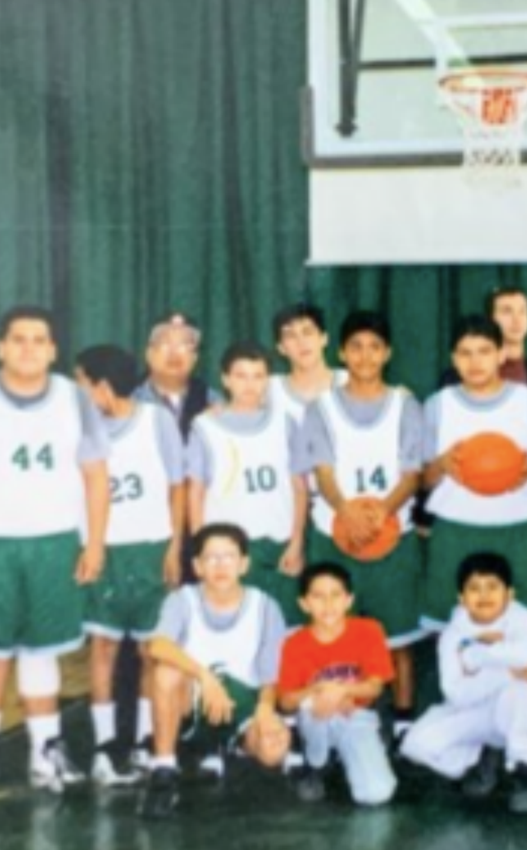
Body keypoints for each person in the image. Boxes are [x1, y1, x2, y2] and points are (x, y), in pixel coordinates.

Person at [0, 306, 111, 797]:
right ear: (0, 347)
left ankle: (47, 748)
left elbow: (96, 476)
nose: (29, 348)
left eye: (40, 340)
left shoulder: (72, 399)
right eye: (18, 339)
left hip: (53, 541)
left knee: (44, 652)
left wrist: (95, 543)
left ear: (53, 350)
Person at [442, 286, 527, 768]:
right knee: (471, 622)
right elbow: (427, 467)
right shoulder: (446, 394)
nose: (515, 318)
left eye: (523, 310)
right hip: (465, 521)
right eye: (505, 310)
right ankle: (480, 725)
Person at [300, 311, 425, 734]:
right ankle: (331, 724)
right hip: (335, 536)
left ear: (387, 352)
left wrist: (381, 514)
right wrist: (347, 511)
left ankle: (403, 725)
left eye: (374, 347)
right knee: (332, 634)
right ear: (341, 352)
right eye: (356, 346)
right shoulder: (320, 408)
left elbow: (412, 473)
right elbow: (323, 472)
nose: (365, 355)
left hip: (393, 536)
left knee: (399, 638)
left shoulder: (406, 405)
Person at [74, 343, 185, 785]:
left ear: (101, 387)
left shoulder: (156, 421)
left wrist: (175, 547)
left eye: (82, 385)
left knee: (149, 651)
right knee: (103, 648)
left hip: (151, 548)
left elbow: (177, 486)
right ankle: (104, 747)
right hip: (103, 551)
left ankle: (142, 741)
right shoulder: (79, 431)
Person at [420, 315, 527, 637]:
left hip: (518, 530)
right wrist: (441, 464)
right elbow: (424, 480)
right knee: (453, 638)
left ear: (501, 354)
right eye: (465, 353)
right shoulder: (437, 405)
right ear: (453, 358)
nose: (475, 362)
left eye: (484, 351)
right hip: (455, 531)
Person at [139, 523, 293, 818]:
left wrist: (264, 709)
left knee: (273, 751)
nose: (221, 565)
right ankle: (164, 769)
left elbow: (269, 672)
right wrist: (205, 677)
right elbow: (157, 645)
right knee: (165, 673)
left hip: (241, 699)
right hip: (193, 699)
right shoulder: (182, 600)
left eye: (229, 557)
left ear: (244, 564)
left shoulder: (265, 606)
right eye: (211, 558)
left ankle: (223, 747)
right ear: (197, 566)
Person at [400, 552, 527, 814]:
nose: (484, 596)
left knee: (522, 692)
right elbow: (455, 693)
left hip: (511, 712)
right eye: (474, 589)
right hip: (470, 712)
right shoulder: (452, 634)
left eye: (493, 587)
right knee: (414, 744)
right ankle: (477, 760)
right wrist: (504, 670)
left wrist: (473, 656)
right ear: (461, 597)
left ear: (510, 593)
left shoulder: (526, 620)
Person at [186, 342, 309, 625]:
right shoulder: (205, 426)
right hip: (230, 549)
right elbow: (196, 492)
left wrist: (297, 542)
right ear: (226, 379)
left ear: (268, 379)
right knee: (236, 626)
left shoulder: (284, 422)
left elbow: (299, 487)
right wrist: (201, 548)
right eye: (241, 376)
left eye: (258, 376)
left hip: (278, 545)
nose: (250, 384)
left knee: (284, 628)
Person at [276, 562, 397, 807]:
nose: (328, 605)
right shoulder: (294, 643)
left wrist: (342, 690)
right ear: (304, 603)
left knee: (376, 795)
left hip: (355, 713)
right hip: (315, 715)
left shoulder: (369, 630)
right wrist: (319, 692)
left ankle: (351, 754)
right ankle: (316, 763)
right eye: (318, 597)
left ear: (349, 600)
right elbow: (286, 699)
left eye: (336, 595)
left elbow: (375, 685)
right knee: (315, 705)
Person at [135, 312, 218, 441]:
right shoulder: (127, 400)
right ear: (149, 354)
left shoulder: (213, 402)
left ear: (195, 358)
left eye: (184, 345)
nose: (174, 352)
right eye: (165, 343)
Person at [268, 301, 345, 429]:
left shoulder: (351, 383)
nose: (301, 342)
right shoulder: (268, 390)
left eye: (307, 332)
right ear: (281, 348)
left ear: (324, 338)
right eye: (291, 335)